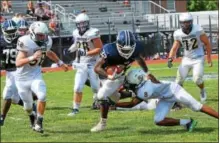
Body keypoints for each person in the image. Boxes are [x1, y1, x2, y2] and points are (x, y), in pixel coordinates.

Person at [116, 69, 218, 132]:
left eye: (129, 82)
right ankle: (187, 122)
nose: (127, 84)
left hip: (175, 91)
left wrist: (115, 104)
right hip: (164, 97)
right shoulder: (143, 84)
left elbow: (131, 104)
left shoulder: (145, 89)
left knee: (197, 107)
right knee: (158, 120)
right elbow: (130, 91)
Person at [90, 30, 149, 132]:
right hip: (106, 76)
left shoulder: (136, 48)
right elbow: (97, 68)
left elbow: (139, 59)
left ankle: (102, 123)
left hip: (119, 76)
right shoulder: (109, 50)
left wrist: (147, 72)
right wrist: (108, 75)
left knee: (101, 96)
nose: (126, 52)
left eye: (129, 50)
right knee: (115, 98)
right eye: (124, 50)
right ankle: (136, 97)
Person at [15, 21, 68, 133]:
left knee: (42, 95)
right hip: (22, 78)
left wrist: (60, 62)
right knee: (28, 107)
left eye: (44, 34)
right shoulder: (25, 41)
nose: (43, 37)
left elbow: (48, 52)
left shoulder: (47, 40)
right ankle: (32, 117)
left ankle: (39, 122)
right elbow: (18, 63)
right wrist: (32, 57)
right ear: (33, 33)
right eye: (40, 35)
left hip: (35, 75)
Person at [167, 13, 212, 103]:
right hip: (186, 58)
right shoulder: (178, 33)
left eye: (188, 22)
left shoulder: (198, 30)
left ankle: (202, 90)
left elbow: (207, 43)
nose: (186, 24)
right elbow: (175, 47)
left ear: (191, 22)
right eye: (184, 22)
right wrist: (170, 58)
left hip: (198, 58)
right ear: (180, 23)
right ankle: (177, 100)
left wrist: (209, 58)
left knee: (197, 79)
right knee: (179, 80)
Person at [0, 19, 37, 127]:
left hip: (20, 71)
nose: (11, 34)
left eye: (13, 31)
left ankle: (2, 118)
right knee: (15, 99)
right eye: (9, 31)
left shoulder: (22, 40)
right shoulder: (1, 41)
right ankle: (32, 108)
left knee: (7, 94)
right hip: (9, 72)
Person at [67, 13, 103, 116]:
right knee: (77, 87)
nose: (81, 26)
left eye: (84, 23)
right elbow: (77, 44)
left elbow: (99, 48)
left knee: (95, 88)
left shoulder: (93, 33)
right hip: (81, 63)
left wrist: (86, 53)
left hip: (93, 63)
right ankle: (75, 109)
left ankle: (99, 99)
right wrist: (70, 50)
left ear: (88, 23)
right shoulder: (75, 33)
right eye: (79, 24)